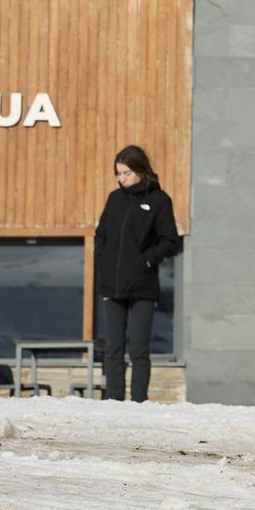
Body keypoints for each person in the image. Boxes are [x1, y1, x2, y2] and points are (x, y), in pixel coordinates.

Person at [93, 145, 182, 402]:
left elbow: (170, 241)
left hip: (142, 285)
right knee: (113, 348)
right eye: (119, 174)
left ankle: (139, 403)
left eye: (127, 173)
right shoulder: (114, 199)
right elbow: (102, 234)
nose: (122, 179)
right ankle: (113, 401)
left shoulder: (159, 200)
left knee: (139, 349)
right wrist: (104, 260)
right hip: (113, 284)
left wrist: (146, 261)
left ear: (141, 171)